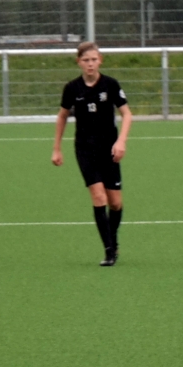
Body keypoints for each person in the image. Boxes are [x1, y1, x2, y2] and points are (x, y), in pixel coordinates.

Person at [51, 40, 131, 266]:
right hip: (85, 149)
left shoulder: (110, 84)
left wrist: (121, 141)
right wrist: (56, 148)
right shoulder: (72, 88)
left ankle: (113, 239)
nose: (90, 64)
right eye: (86, 60)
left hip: (109, 149)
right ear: (78, 62)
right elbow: (62, 116)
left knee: (115, 203)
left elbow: (127, 114)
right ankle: (109, 251)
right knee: (98, 197)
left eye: (94, 59)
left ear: (100, 61)